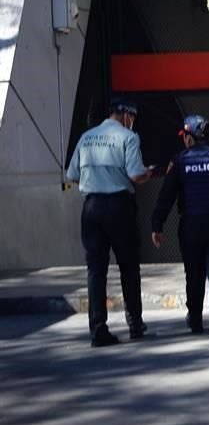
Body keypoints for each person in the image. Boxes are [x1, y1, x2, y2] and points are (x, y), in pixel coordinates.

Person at [151, 115, 209, 342]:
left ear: (189, 138)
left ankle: (195, 319)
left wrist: (157, 224)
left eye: (184, 136)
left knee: (193, 272)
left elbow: (166, 196)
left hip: (192, 225)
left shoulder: (180, 161)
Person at [65, 98, 152, 347]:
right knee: (129, 266)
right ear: (126, 115)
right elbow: (135, 174)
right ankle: (135, 324)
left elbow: (72, 174)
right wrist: (147, 173)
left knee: (96, 270)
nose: (132, 122)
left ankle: (98, 329)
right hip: (119, 207)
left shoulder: (86, 138)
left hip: (92, 208)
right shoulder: (128, 137)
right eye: (132, 118)